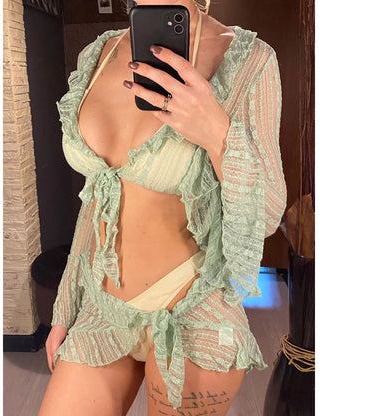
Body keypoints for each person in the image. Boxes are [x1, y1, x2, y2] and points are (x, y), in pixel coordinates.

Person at [39, 0, 287, 414]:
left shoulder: (248, 60)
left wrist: (216, 132)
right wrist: (66, 306)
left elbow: (267, 217)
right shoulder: (99, 53)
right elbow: (97, 195)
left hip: (192, 306)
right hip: (102, 308)